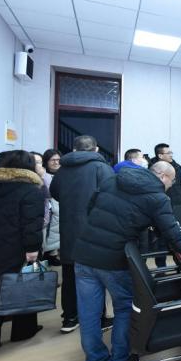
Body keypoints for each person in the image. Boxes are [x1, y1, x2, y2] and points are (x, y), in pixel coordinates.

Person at [73, 162, 181, 361]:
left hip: (84, 254)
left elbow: (91, 207)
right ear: (163, 176)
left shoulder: (114, 179)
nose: (171, 186)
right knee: (124, 307)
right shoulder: (157, 198)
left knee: (88, 313)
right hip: (114, 259)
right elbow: (174, 234)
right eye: (172, 181)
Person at [0, 150, 45, 351]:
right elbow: (32, 223)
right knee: (25, 284)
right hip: (19, 246)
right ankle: (23, 331)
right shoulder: (31, 190)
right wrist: (32, 248)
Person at [49, 135, 114, 334]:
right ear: (96, 149)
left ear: (74, 150)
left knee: (69, 276)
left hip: (69, 229)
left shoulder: (63, 169)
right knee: (96, 278)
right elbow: (111, 195)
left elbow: (55, 192)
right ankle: (99, 319)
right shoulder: (102, 168)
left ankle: (70, 318)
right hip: (95, 231)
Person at [150, 143, 181, 208]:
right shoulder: (152, 169)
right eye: (168, 153)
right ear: (160, 155)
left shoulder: (177, 167)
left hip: (180, 204)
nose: (171, 155)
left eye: (171, 153)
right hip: (162, 205)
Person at [41, 150, 62, 266]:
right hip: (46, 208)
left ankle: (53, 254)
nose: (56, 162)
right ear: (46, 161)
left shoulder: (64, 173)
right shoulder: (42, 175)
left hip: (59, 207)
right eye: (53, 160)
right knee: (46, 232)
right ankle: (44, 255)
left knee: (56, 232)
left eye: (58, 160)